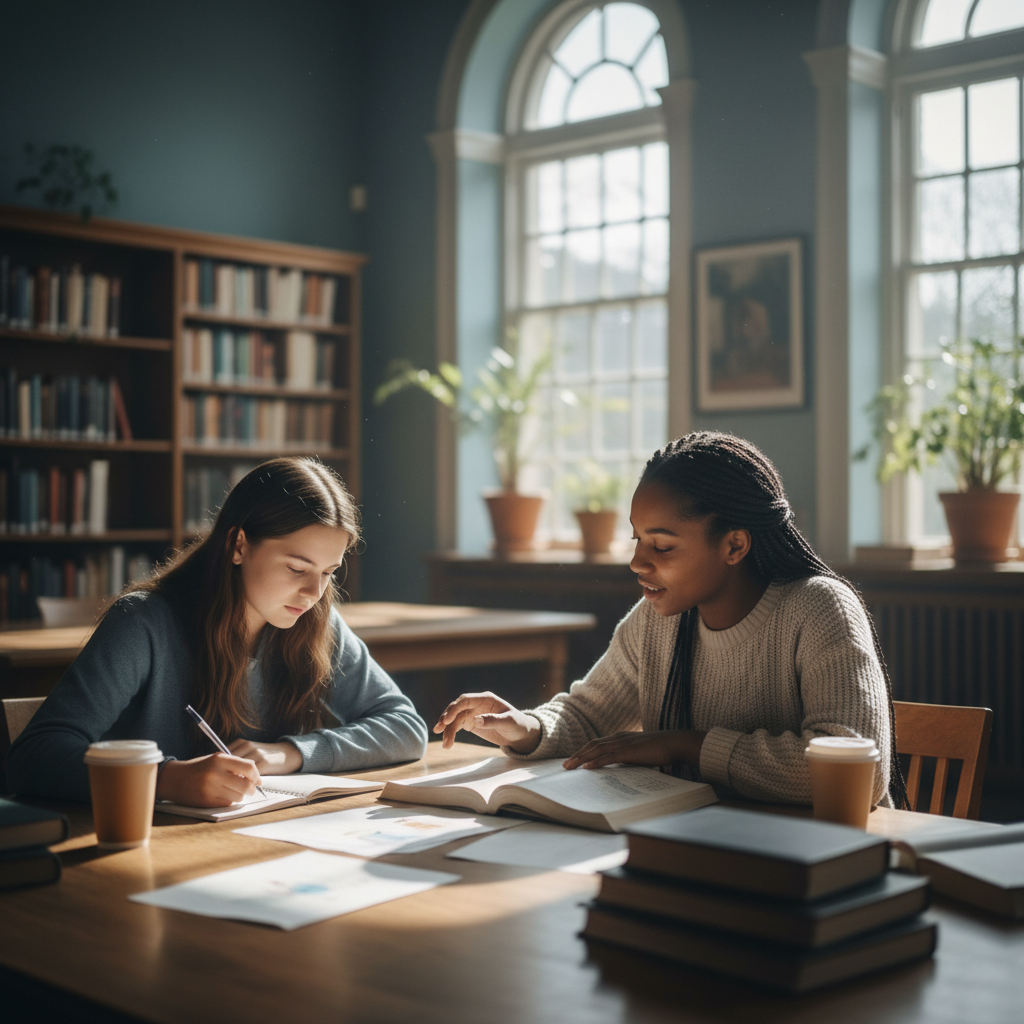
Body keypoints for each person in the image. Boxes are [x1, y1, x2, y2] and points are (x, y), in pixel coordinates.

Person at [434, 432, 906, 809]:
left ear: (735, 546)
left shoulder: (820, 609)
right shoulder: (658, 620)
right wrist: (525, 727)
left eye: (661, 546)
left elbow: (860, 771)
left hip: (820, 858)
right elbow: (587, 718)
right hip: (707, 847)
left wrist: (685, 746)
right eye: (637, 540)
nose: (638, 562)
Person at [7, 458, 427, 805]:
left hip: (258, 843)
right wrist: (167, 779)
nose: (315, 592)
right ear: (239, 544)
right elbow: (34, 757)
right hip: (144, 853)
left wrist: (290, 753)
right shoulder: (143, 623)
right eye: (297, 568)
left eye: (329, 573)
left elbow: (405, 726)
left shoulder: (315, 623)